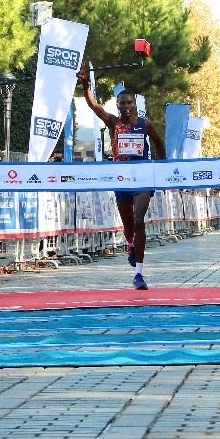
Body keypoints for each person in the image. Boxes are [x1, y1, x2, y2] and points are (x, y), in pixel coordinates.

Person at [78, 70, 164, 290]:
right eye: (122, 103)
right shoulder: (114, 123)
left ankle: (139, 274)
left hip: (143, 178)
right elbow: (94, 106)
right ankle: (131, 245)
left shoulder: (145, 125)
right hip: (122, 180)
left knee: (138, 221)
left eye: (129, 103)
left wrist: (163, 168)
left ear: (135, 105)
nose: (126, 106)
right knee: (128, 227)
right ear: (117, 106)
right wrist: (85, 86)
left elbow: (159, 144)